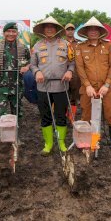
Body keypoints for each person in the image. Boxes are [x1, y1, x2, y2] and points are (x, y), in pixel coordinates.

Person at [30, 17, 74, 156]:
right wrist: (36, 72)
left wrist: (69, 71)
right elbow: (33, 64)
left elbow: (72, 62)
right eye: (46, 27)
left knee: (61, 116)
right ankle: (48, 144)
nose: (49, 29)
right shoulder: (37, 46)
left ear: (56, 29)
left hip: (61, 86)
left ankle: (61, 143)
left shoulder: (66, 44)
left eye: (52, 27)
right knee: (45, 116)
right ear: (43, 30)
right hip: (43, 87)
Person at [75, 17, 111, 152]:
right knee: (86, 117)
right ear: (86, 32)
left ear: (100, 31)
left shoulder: (108, 46)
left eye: (96, 29)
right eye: (90, 30)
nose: (93, 32)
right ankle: (89, 143)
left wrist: (106, 85)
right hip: (87, 89)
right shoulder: (80, 47)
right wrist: (87, 85)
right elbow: (80, 68)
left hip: (106, 88)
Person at [0, 22, 31, 119]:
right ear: (4, 33)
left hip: (18, 86)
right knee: (0, 113)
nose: (11, 34)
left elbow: (30, 61)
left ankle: (16, 131)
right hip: (1, 86)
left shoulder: (23, 48)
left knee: (17, 112)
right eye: (8, 31)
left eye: (13, 31)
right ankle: (0, 132)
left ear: (17, 33)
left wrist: (27, 67)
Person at [64, 23, 81, 121]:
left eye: (72, 29)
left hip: (76, 74)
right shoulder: (61, 42)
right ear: (65, 31)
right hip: (63, 72)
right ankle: (62, 114)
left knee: (74, 96)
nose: (70, 31)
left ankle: (71, 116)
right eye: (68, 29)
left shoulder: (79, 44)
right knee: (63, 94)